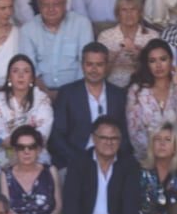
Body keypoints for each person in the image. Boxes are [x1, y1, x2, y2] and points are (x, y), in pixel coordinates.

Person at [49, 42, 130, 171]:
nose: (94, 70)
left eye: (99, 65)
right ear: (82, 65)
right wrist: (78, 162)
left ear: (107, 66)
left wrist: (113, 160)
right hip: (73, 162)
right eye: (89, 64)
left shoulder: (118, 95)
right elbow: (57, 136)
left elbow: (124, 136)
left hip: (111, 163)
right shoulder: (67, 93)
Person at [20, 0, 98, 98]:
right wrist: (45, 94)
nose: (51, 9)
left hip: (77, 93)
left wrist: (70, 95)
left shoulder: (82, 24)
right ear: (39, 5)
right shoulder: (27, 30)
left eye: (56, 4)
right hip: (40, 94)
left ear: (65, 4)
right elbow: (28, 68)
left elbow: (87, 63)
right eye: (46, 4)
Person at [126, 39, 177, 167]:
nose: (158, 65)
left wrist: (176, 84)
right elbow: (134, 133)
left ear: (171, 60)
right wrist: (158, 157)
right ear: (147, 64)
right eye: (152, 61)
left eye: (163, 59)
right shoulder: (136, 91)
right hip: (147, 160)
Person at [0, 125, 62, 214]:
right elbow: (7, 210)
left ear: (39, 149)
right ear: (15, 150)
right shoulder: (6, 175)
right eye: (21, 148)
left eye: (31, 147)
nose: (26, 151)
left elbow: (58, 207)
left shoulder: (50, 171)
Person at [0, 54, 53, 170]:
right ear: (9, 77)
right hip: (4, 153)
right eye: (15, 71)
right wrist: (19, 152)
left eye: (26, 71)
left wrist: (24, 151)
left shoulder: (42, 99)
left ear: (32, 78)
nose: (21, 75)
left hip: (35, 153)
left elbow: (42, 135)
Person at [97, 0, 159, 89]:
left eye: (133, 9)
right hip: (114, 89)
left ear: (139, 12)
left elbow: (158, 72)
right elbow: (98, 75)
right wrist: (109, 62)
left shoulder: (152, 36)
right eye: (124, 10)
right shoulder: (105, 36)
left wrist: (139, 58)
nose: (129, 14)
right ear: (117, 13)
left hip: (144, 90)